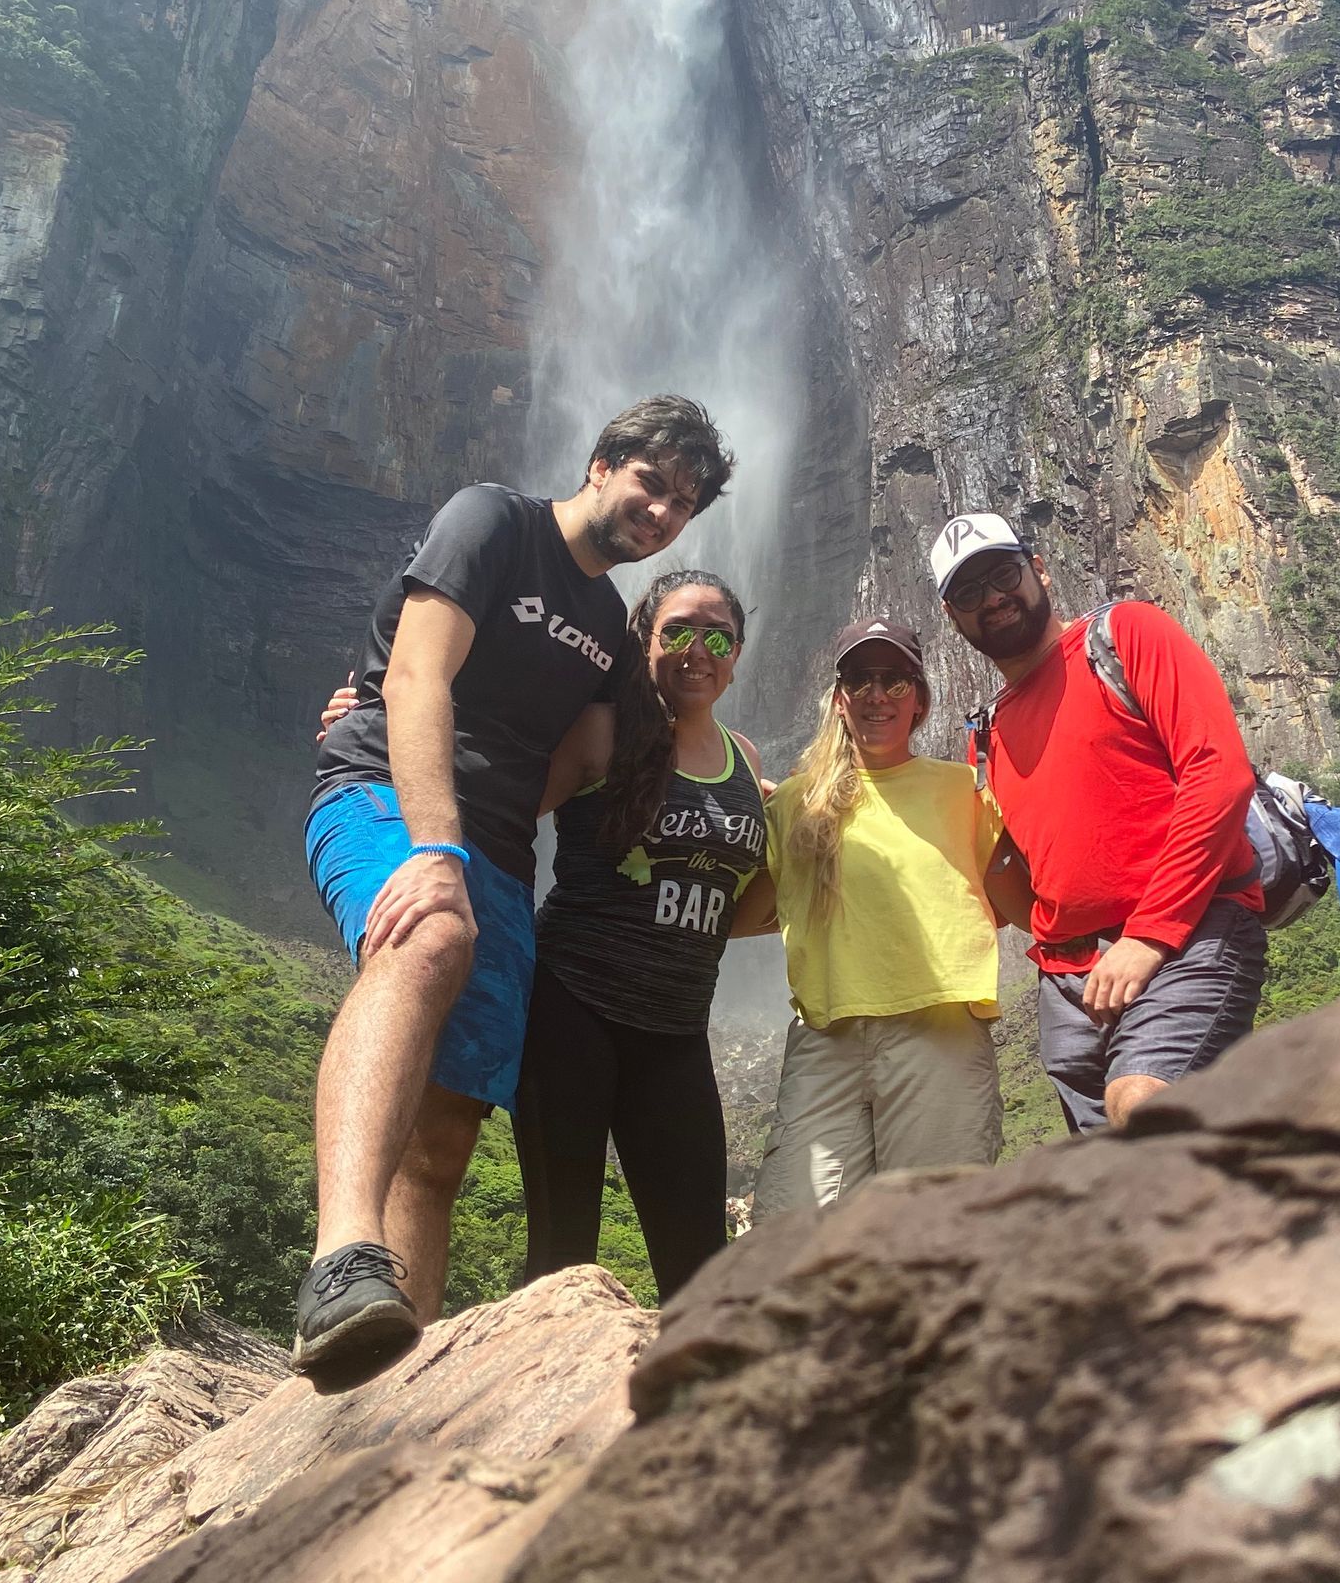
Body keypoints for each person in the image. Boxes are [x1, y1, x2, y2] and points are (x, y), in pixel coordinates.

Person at [294, 395, 733, 1387]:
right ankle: (339, 1256)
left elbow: (634, 750)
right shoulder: (491, 519)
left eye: (683, 504)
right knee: (430, 937)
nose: (661, 511)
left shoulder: (609, 634)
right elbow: (415, 676)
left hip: (499, 854)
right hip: (392, 801)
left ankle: (377, 1365)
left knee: (447, 1135)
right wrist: (437, 847)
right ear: (600, 464)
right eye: (651, 483)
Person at [931, 511, 1266, 1134]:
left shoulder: (1124, 636)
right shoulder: (985, 735)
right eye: (969, 594)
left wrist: (1148, 936)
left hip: (1185, 938)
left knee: (1142, 1109)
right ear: (953, 617)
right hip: (1067, 983)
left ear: (1040, 569)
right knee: (1110, 1176)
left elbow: (1218, 773)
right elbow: (1008, 869)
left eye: (1003, 574)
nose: (994, 599)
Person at [512, 566, 766, 1302]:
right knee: (563, 1250)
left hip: (677, 1030)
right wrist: (372, 727)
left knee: (699, 1267)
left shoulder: (746, 762)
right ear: (645, 641)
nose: (699, 649)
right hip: (571, 1009)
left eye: (719, 636)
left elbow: (740, 902)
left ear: (737, 653)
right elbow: (499, 800)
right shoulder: (602, 731)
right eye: (678, 631)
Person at [747, 617, 1027, 1221]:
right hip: (827, 1039)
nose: (877, 695)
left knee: (932, 1233)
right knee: (789, 1229)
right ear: (839, 696)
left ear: (920, 699)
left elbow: (1016, 904)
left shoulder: (965, 791)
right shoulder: (797, 803)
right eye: (860, 679)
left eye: (895, 681)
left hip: (940, 1037)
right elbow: (759, 908)